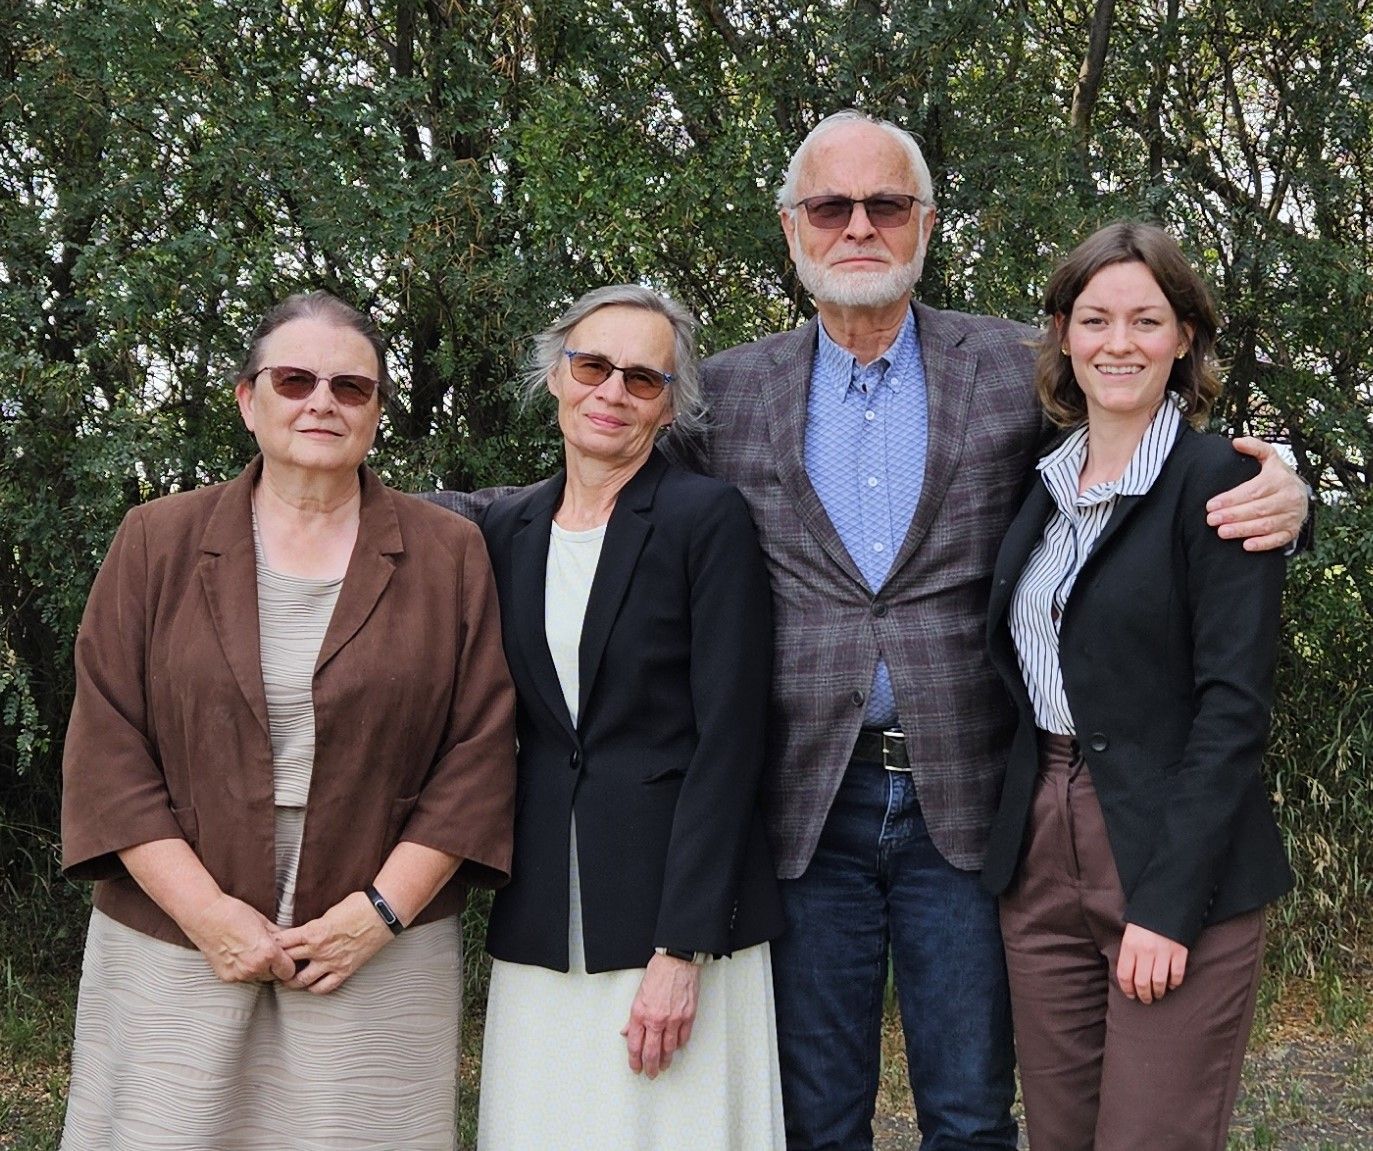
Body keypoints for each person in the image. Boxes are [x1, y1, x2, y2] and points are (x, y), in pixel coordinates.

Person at [661, 110, 1310, 1150]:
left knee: (969, 1111)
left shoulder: (1012, 368)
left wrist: (1286, 486)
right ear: (790, 228)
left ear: (925, 224)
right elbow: (613, 497)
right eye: (832, 206)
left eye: (886, 205)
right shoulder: (726, 393)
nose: (859, 227)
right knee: (815, 1115)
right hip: (801, 805)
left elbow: (1149, 447)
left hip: (968, 804)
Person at [59, 290, 517, 1149]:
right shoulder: (156, 539)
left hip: (374, 934)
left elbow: (479, 751)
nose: (321, 402)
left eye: (351, 388)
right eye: (296, 379)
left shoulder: (448, 554)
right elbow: (108, 745)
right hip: (175, 925)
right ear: (247, 396)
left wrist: (377, 914)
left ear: (378, 410)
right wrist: (206, 913)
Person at [980, 221, 1293, 1150]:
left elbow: (1233, 712)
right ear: (1063, 335)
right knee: (1060, 1135)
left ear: (1185, 336)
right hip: (1039, 840)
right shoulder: (1036, 480)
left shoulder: (1224, 484)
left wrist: (1165, 905)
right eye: (1094, 318)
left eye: (1146, 320)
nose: (1118, 343)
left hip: (1169, 848)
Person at [459, 285, 786, 1150]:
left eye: (643, 378)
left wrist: (681, 952)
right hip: (544, 909)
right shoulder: (509, 529)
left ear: (670, 403)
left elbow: (730, 741)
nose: (612, 391)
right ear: (557, 375)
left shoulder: (705, 519)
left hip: (671, 917)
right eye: (593, 366)